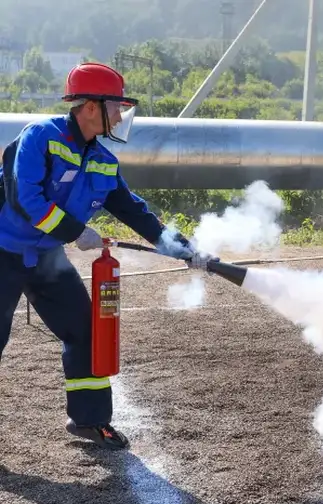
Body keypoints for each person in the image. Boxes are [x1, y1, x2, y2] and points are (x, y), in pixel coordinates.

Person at [0, 62, 212, 450]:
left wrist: (188, 251)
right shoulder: (40, 138)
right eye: (116, 105)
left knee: (84, 331)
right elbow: (24, 199)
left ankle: (89, 420)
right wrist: (75, 231)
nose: (120, 114)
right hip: (3, 250)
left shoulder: (103, 161)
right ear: (91, 106)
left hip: (45, 257)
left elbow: (137, 214)